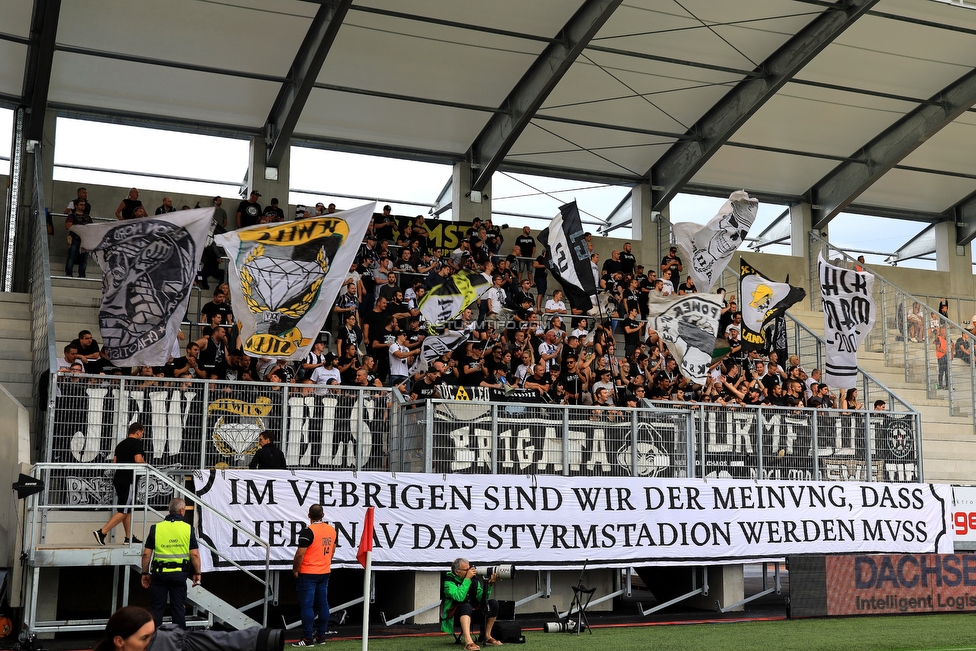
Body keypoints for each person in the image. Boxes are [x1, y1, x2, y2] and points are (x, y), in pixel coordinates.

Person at [141, 498, 201, 629]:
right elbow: (194, 554)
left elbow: (146, 554)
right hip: (179, 576)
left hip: (159, 575)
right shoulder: (188, 529)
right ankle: (179, 641)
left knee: (157, 608)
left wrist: (145, 573)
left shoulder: (156, 528)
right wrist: (197, 573)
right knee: (178, 608)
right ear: (181, 510)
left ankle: (154, 640)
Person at [94, 422, 146, 545]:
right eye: (142, 433)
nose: (142, 436)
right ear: (138, 432)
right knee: (124, 509)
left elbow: (115, 462)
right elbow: (138, 460)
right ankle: (102, 532)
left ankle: (129, 537)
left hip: (119, 478)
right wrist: (147, 465)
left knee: (126, 508)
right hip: (129, 480)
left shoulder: (120, 444)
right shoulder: (137, 443)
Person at [292, 504, 336, 647]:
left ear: (309, 515)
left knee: (307, 606)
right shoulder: (331, 530)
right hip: (324, 571)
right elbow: (332, 548)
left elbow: (300, 554)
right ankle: (321, 636)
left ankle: (307, 639)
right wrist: (326, 562)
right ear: (323, 515)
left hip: (308, 572)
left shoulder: (307, 531)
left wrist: (295, 570)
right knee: (323, 604)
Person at [441, 557, 501, 650]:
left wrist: (489, 585)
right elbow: (459, 597)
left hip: (473, 613)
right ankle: (468, 642)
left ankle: (487, 636)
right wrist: (467, 579)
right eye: (466, 570)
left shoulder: (473, 580)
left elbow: (482, 598)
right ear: (457, 571)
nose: (470, 571)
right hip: (455, 617)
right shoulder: (449, 582)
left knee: (493, 603)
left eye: (469, 568)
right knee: (466, 606)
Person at [64, 198, 93, 277]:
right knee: (71, 257)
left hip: (85, 239)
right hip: (75, 238)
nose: (83, 206)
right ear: (76, 206)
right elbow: (67, 226)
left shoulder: (87, 217)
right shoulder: (72, 216)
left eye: (83, 205)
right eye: (81, 204)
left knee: (83, 259)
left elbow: (91, 228)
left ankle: (82, 275)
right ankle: (69, 274)